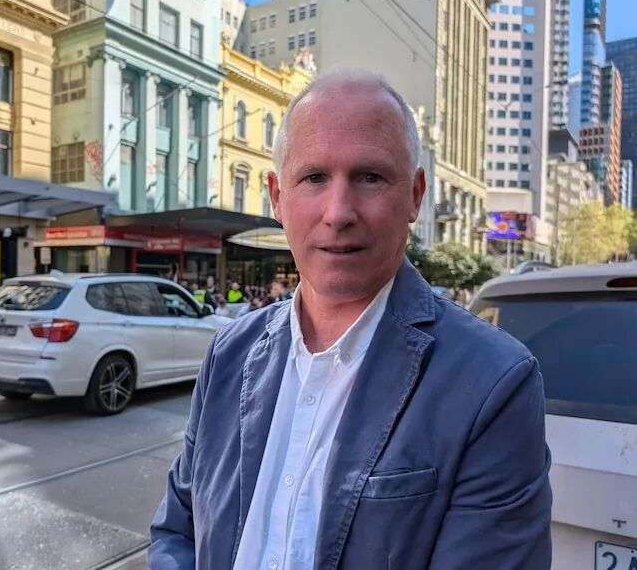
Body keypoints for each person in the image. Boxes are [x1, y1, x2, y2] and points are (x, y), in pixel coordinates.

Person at [150, 71, 551, 568]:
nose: (338, 212)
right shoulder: (229, 351)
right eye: (314, 177)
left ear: (415, 195)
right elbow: (177, 530)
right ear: (278, 196)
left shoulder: (494, 380)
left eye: (370, 177)